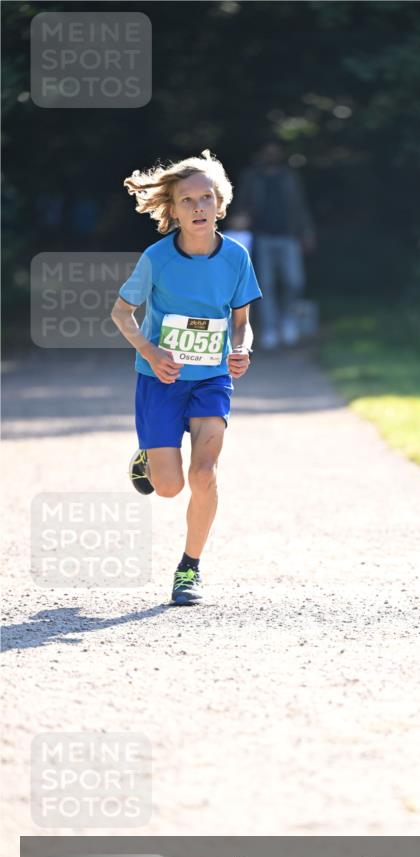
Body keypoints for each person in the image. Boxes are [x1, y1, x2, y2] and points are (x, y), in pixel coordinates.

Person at [110, 150, 262, 606]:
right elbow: (122, 314)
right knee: (169, 486)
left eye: (206, 198)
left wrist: (242, 348)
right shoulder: (157, 258)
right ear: (172, 210)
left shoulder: (236, 257)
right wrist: (153, 353)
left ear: (221, 203)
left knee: (204, 473)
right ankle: (148, 461)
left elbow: (241, 320)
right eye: (187, 200)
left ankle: (188, 569)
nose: (198, 207)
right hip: (161, 379)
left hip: (212, 378)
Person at [236, 141, 315, 349]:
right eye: (268, 152)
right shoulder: (253, 177)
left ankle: (288, 321)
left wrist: (306, 232)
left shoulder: (289, 177)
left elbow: (300, 206)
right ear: (262, 154)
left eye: (275, 152)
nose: (271, 155)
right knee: (265, 285)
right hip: (261, 237)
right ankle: (270, 329)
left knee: (294, 281)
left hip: (289, 236)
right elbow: (242, 204)